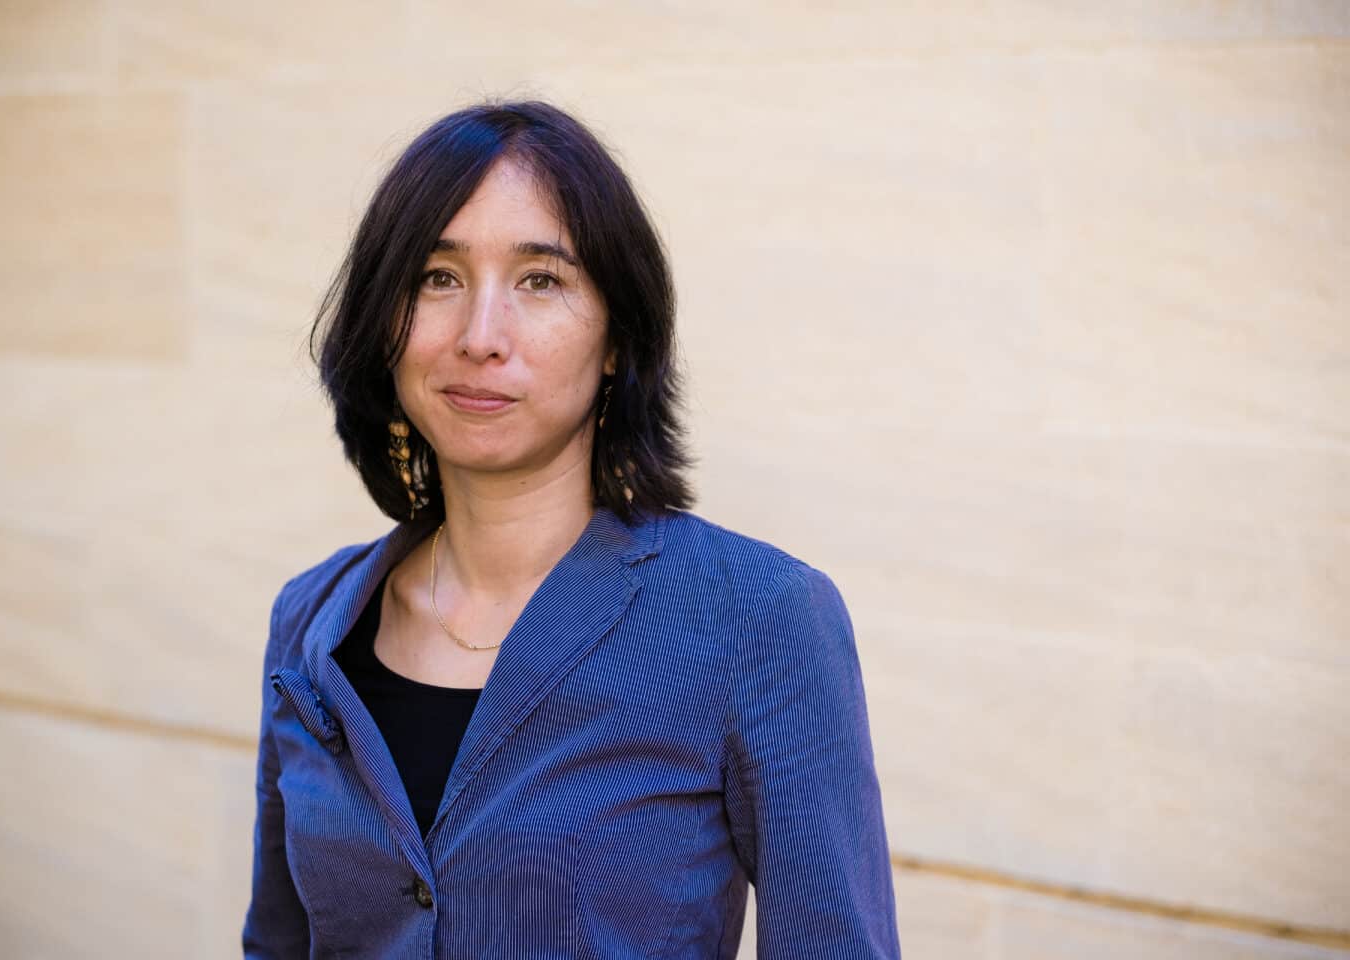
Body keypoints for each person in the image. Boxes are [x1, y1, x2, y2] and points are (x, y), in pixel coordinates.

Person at [243, 99, 900, 959]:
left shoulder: (760, 621)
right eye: (437, 278)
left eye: (540, 280)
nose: (481, 337)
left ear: (619, 338)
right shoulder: (311, 620)